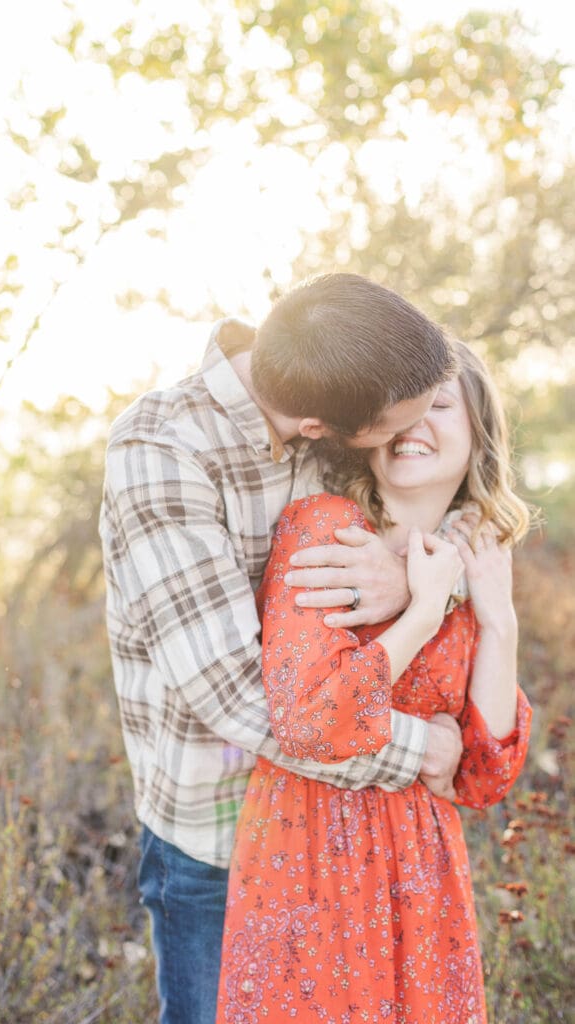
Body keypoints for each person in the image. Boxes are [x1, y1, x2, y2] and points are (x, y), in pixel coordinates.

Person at [100, 273, 465, 1024]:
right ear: (316, 431)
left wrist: (420, 582)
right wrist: (421, 751)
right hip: (221, 837)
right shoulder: (161, 451)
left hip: (348, 829)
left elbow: (451, 494)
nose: (413, 428)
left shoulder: (343, 363)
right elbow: (235, 695)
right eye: (398, 423)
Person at [215, 340, 533, 1024]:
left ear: (479, 432)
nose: (413, 425)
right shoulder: (323, 530)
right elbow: (311, 722)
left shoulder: (472, 557)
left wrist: (496, 618)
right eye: (398, 411)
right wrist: (422, 611)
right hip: (308, 853)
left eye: (438, 405)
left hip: (422, 876)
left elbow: (482, 774)